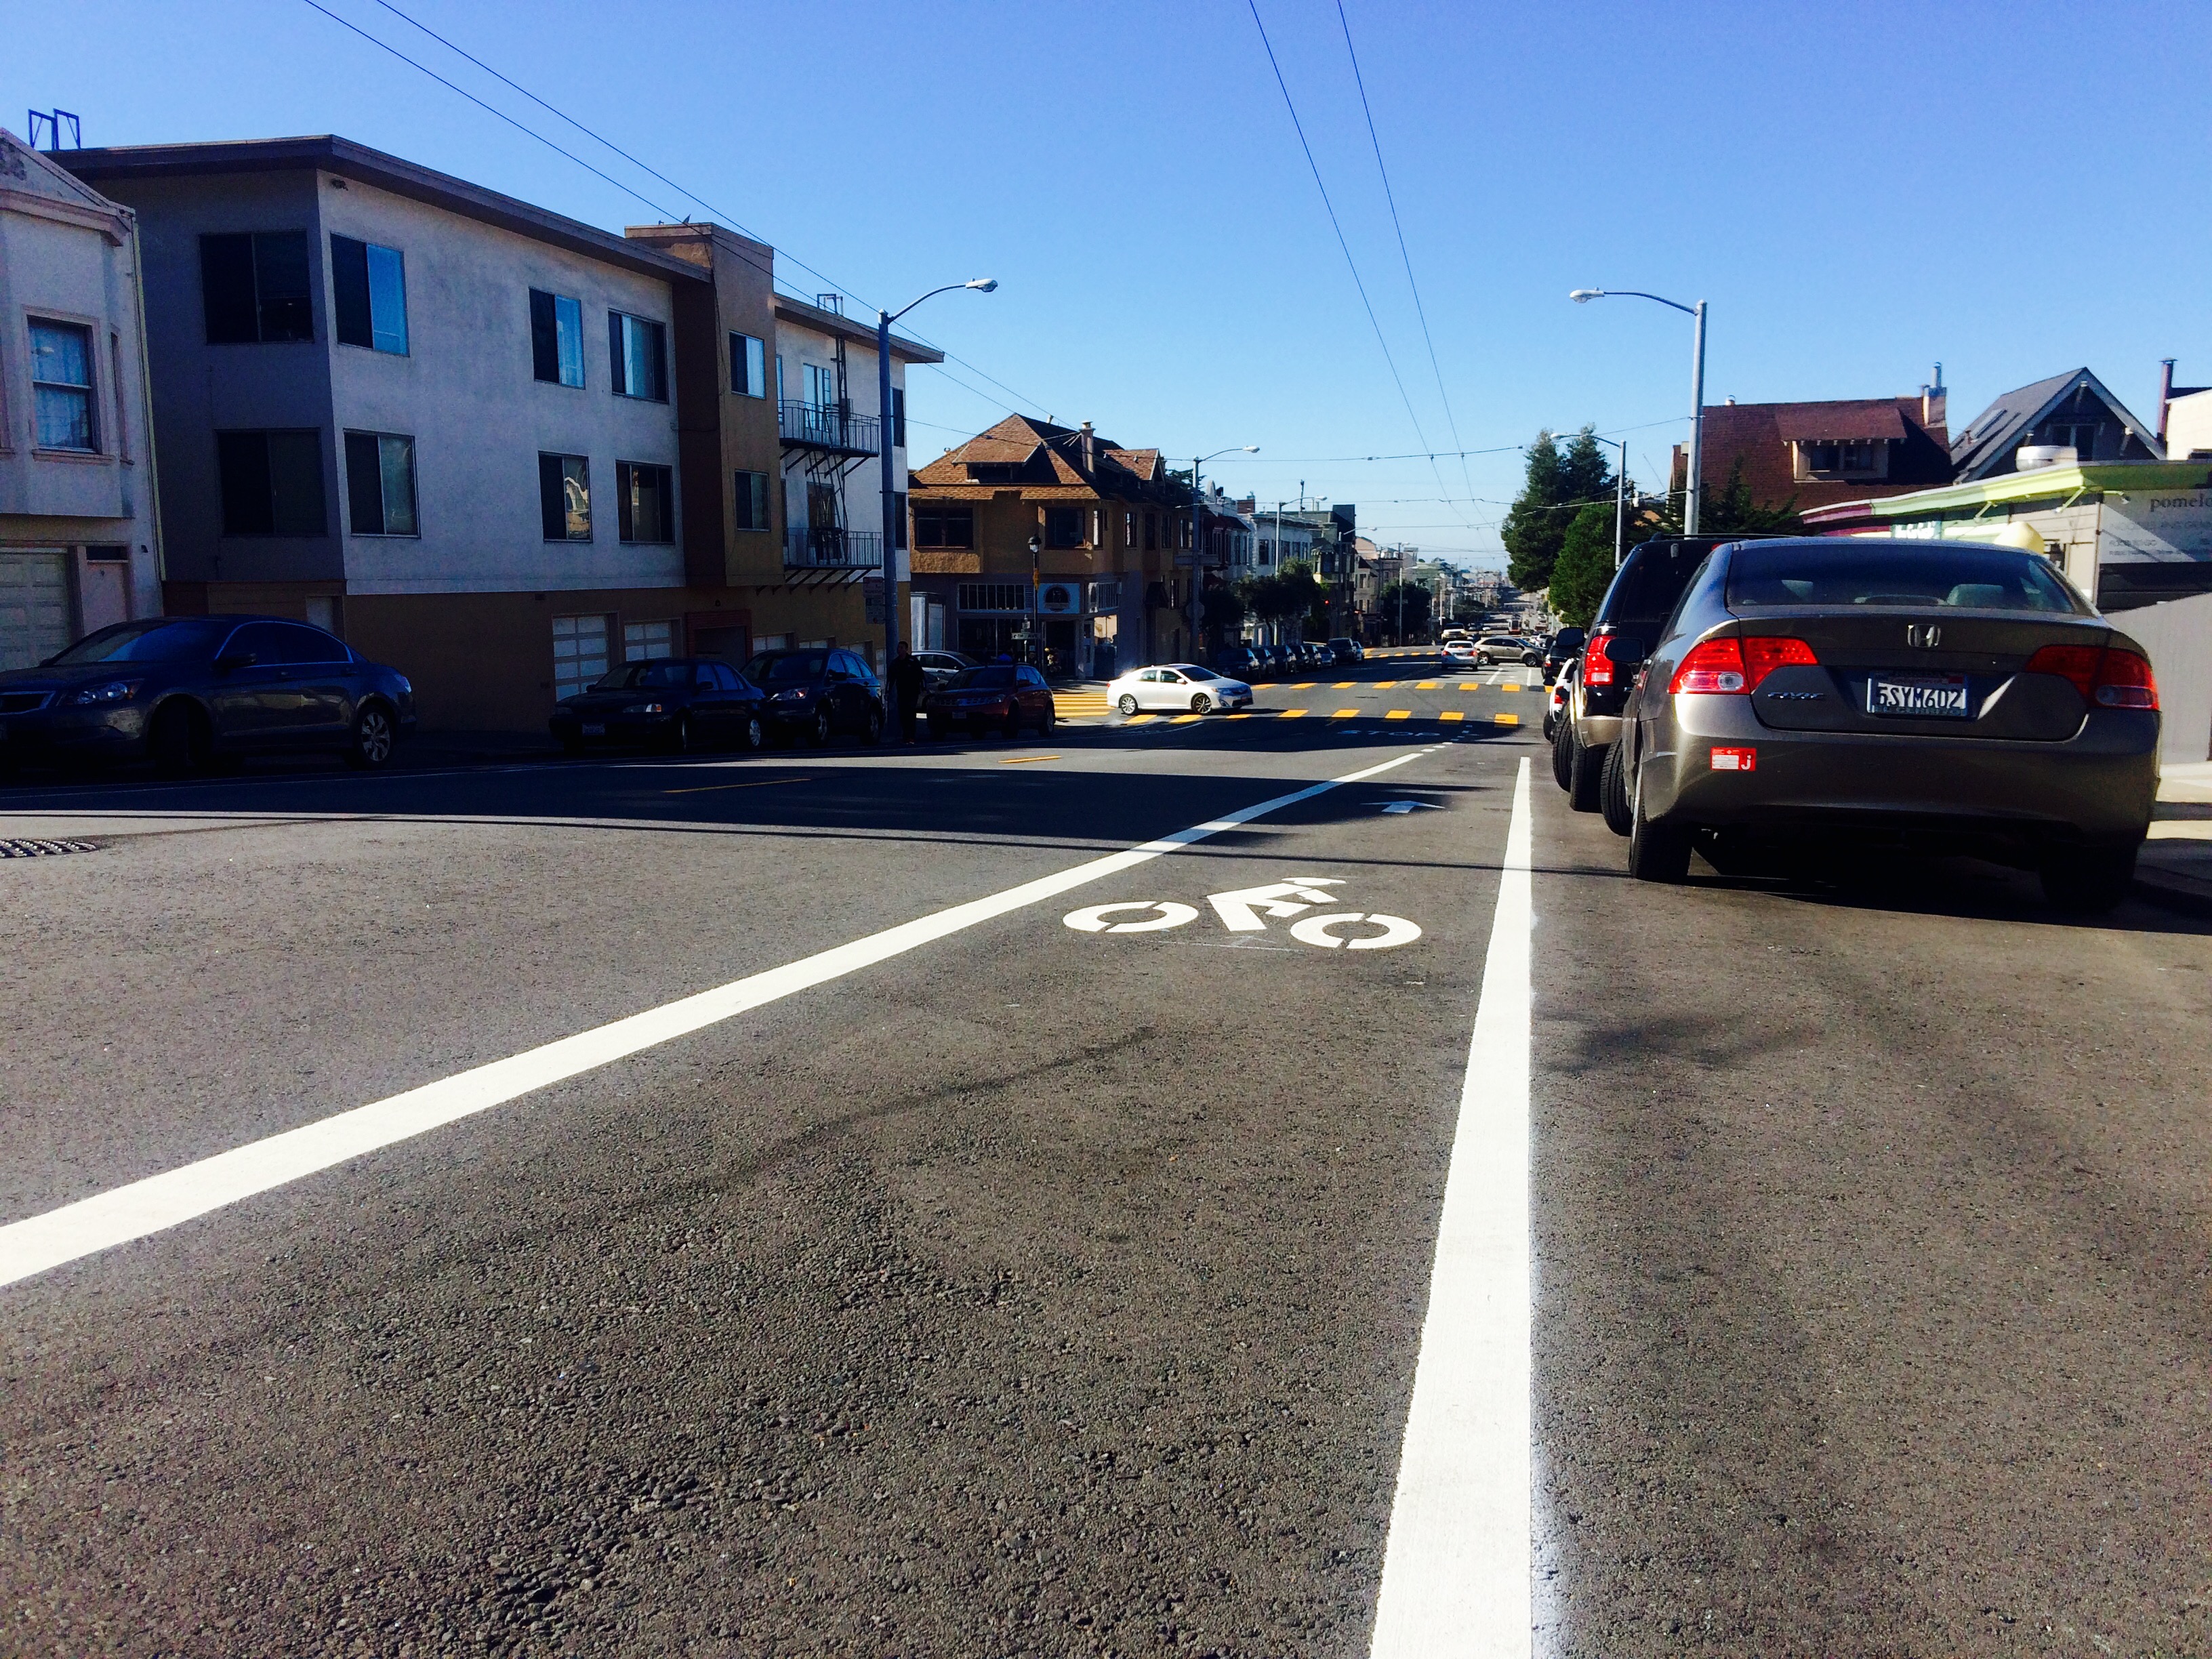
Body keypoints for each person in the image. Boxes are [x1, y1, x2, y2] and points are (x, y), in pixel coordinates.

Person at [886, 644, 926, 743]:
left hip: (913, 692)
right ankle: (905, 735)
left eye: (901, 648)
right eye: (898, 647)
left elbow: (921, 676)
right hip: (902, 692)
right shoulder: (895, 663)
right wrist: (888, 692)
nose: (899, 649)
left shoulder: (912, 661)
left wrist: (923, 688)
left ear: (906, 649)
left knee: (911, 713)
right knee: (903, 714)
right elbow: (890, 679)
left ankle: (911, 736)